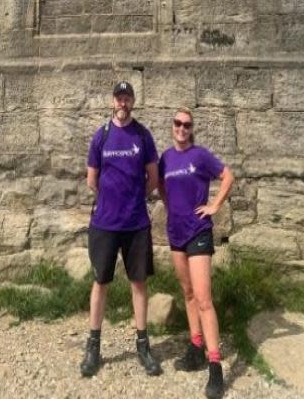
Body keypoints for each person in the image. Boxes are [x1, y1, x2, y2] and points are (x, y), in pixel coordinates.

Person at [80, 80, 162, 378]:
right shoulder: (101, 136)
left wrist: (138, 197)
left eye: (128, 98)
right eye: (119, 98)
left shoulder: (143, 135)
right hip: (105, 223)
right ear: (113, 101)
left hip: (136, 223)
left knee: (138, 283)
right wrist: (109, 201)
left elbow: (153, 177)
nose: (123, 103)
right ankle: (93, 346)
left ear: (133, 101)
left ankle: (143, 345)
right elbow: (92, 180)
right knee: (100, 282)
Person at [158, 107, 234, 399]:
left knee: (203, 299)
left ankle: (215, 367)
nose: (181, 128)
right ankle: (196, 347)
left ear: (192, 129)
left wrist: (214, 205)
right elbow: (163, 187)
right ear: (172, 126)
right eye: (177, 123)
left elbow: (228, 176)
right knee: (188, 293)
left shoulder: (200, 155)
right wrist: (170, 207)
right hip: (175, 233)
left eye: (187, 125)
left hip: (198, 232)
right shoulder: (166, 158)